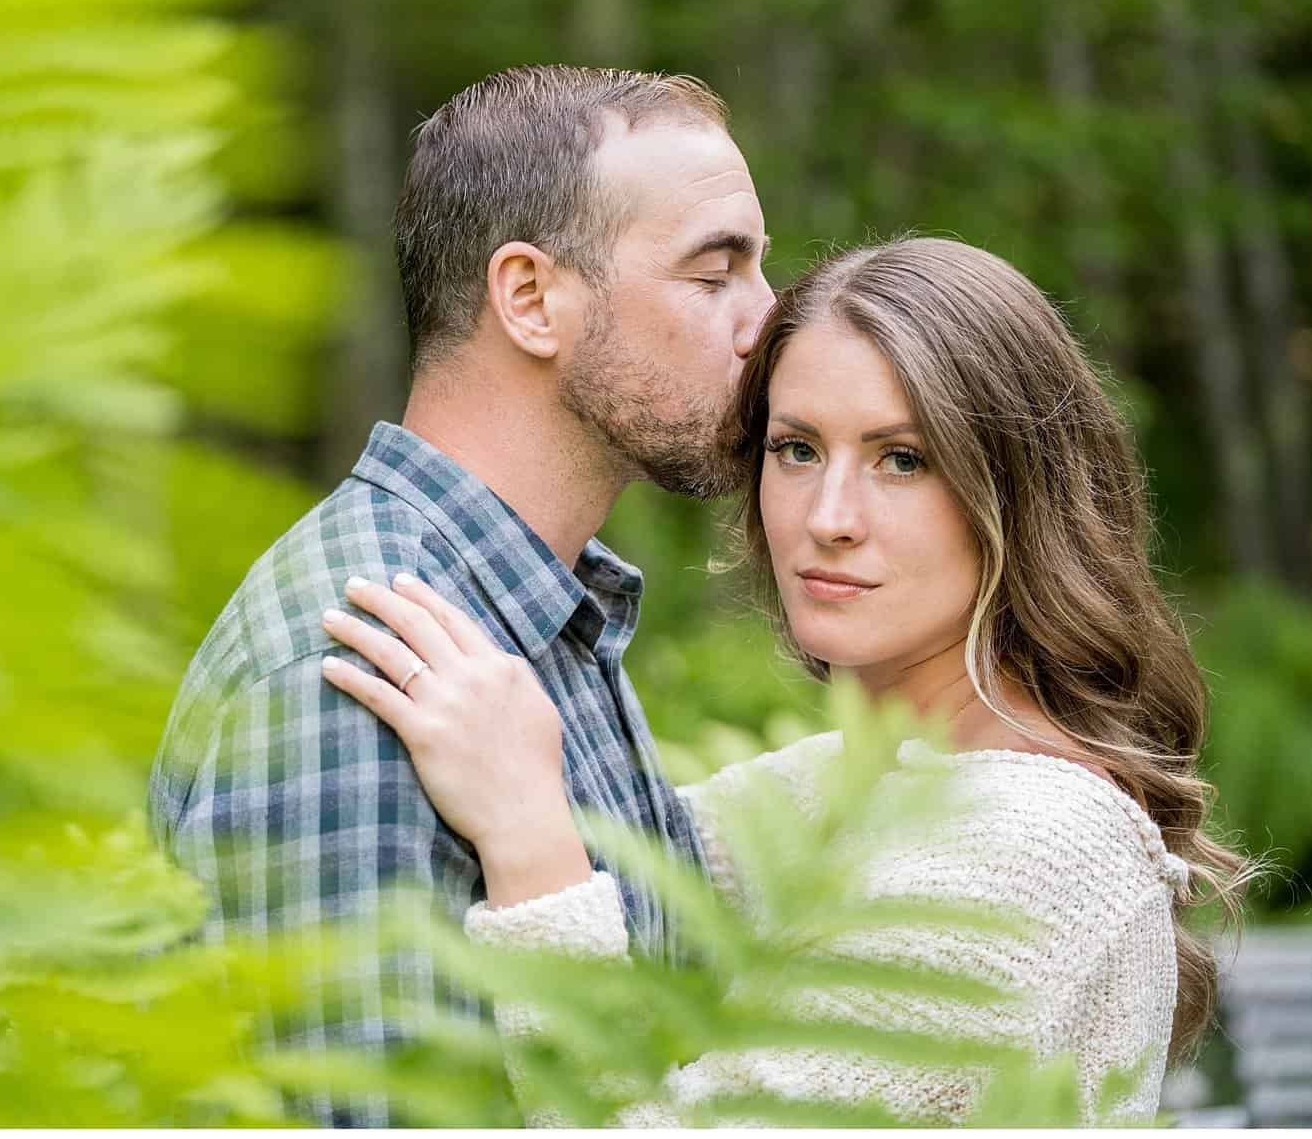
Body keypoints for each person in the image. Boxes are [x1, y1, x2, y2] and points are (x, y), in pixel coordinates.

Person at [318, 236, 1257, 1125]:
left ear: (1017, 493)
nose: (830, 516)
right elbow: (647, 866)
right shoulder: (841, 787)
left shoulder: (1032, 844)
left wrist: (529, 844)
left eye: (903, 459)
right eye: (796, 449)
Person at [147, 65, 775, 1127]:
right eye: (716, 275)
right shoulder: (355, 670)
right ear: (530, 299)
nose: (768, 318)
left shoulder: (532, 612)